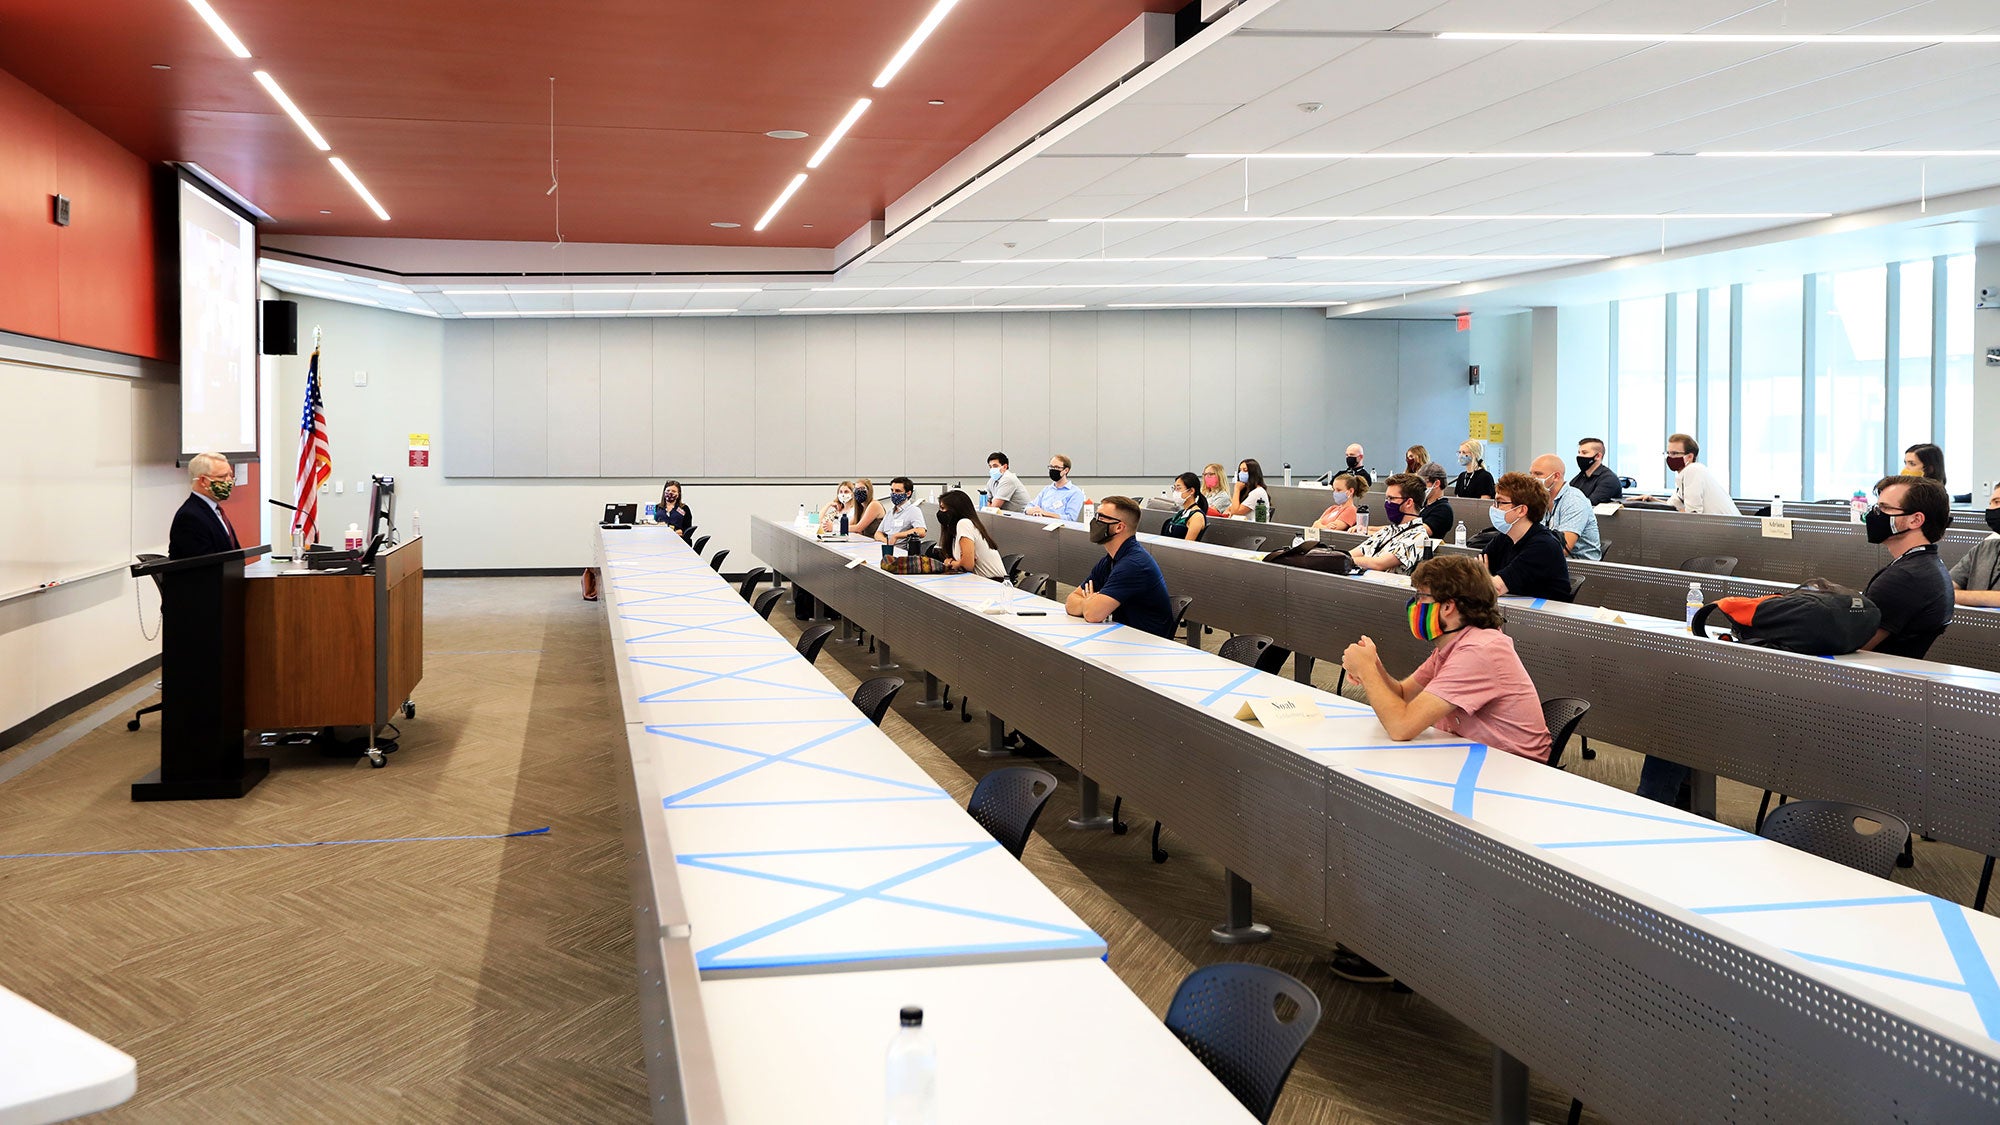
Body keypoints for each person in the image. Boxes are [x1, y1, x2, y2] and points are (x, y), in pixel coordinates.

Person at [1331, 554, 1552, 984]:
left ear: (1448, 607)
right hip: (1470, 762)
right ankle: (1390, 933)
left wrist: (1367, 675)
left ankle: (1402, 948)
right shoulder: (1454, 644)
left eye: (1422, 597)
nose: (1416, 606)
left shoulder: (1480, 650)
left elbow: (1400, 724)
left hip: (1507, 781)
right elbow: (1402, 695)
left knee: (1397, 816)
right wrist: (1373, 666)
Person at [1860, 474, 1954, 659]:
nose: (1874, 515)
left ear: (1915, 520)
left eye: (1884, 508)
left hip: (1874, 680)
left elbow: (1854, 643)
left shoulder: (1906, 578)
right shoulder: (1925, 564)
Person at [1066, 496, 1174, 637]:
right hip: (1124, 635)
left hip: (1146, 644)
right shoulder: (1110, 560)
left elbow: (1093, 614)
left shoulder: (1133, 565)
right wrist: (1089, 602)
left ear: (1119, 527)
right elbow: (1070, 601)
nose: (1095, 521)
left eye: (1101, 518)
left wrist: (1089, 604)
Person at [1482, 472, 1573, 601]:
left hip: (1544, 616)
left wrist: (1484, 578)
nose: (1494, 508)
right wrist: (1483, 579)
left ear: (1521, 510)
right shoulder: (1504, 538)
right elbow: (1471, 575)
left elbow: (1495, 588)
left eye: (1500, 503)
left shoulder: (1543, 546)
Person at [1349, 474, 1432, 574]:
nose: (1387, 503)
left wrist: (1345, 560)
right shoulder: (1388, 531)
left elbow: (1378, 564)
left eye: (1391, 498)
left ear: (1409, 502)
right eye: (1387, 499)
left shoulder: (1418, 536)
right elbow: (1357, 552)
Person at [1638, 433, 1737, 515]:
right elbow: (1672, 505)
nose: (1670, 457)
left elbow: (1692, 513)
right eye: (1668, 453)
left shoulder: (1693, 471)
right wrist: (1651, 500)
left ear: (1689, 456)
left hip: (1726, 532)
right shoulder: (1686, 474)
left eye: (1674, 453)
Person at [1531, 454, 1603, 561]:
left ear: (1556, 476)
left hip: (1579, 568)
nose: (1532, 479)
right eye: (1530, 474)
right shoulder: (1540, 498)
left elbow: (1562, 548)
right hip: (1549, 562)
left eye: (1538, 474)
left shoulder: (1574, 500)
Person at [170, 452, 241, 558]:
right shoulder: (190, 517)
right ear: (203, 480)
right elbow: (203, 565)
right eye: (222, 477)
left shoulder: (215, 510)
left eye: (230, 475)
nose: (229, 481)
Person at [936, 489, 1006, 578]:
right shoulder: (954, 533)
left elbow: (967, 565)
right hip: (979, 582)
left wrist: (951, 563)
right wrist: (959, 562)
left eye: (943, 508)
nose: (940, 512)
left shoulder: (964, 523)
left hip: (993, 584)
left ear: (955, 510)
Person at [1951, 482, 2000, 607]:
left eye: (1997, 502)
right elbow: (1947, 585)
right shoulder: (1985, 546)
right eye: (1990, 503)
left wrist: (1954, 595)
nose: (1990, 509)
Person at [873, 477, 928, 552]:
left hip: (901, 553)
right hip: (889, 549)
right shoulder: (890, 512)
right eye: (892, 490)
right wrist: (887, 543)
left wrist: (896, 536)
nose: (894, 493)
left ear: (908, 493)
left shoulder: (913, 510)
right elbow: (878, 533)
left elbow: (921, 531)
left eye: (898, 491)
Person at [1025, 454, 1086, 522]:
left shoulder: (1075, 492)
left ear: (1066, 470)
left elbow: (1070, 518)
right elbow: (1030, 506)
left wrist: (1044, 513)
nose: (1053, 470)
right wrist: (1030, 511)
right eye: (1051, 467)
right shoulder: (1047, 489)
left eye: (1056, 467)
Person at [1569, 438, 1623, 505]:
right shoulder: (1579, 478)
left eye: (1584, 453)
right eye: (1579, 452)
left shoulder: (1609, 479)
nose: (1579, 456)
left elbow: (1590, 504)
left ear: (1598, 456)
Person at [1161, 472, 1208, 541]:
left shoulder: (1197, 517)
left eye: (1178, 488)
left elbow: (1187, 545)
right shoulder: (1182, 513)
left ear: (1191, 491)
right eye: (1174, 488)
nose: (1175, 492)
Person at [1416, 462, 1455, 540]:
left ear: (1436, 483)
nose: (1419, 487)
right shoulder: (1424, 504)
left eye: (1423, 483)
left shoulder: (1443, 509)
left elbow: (1420, 532)